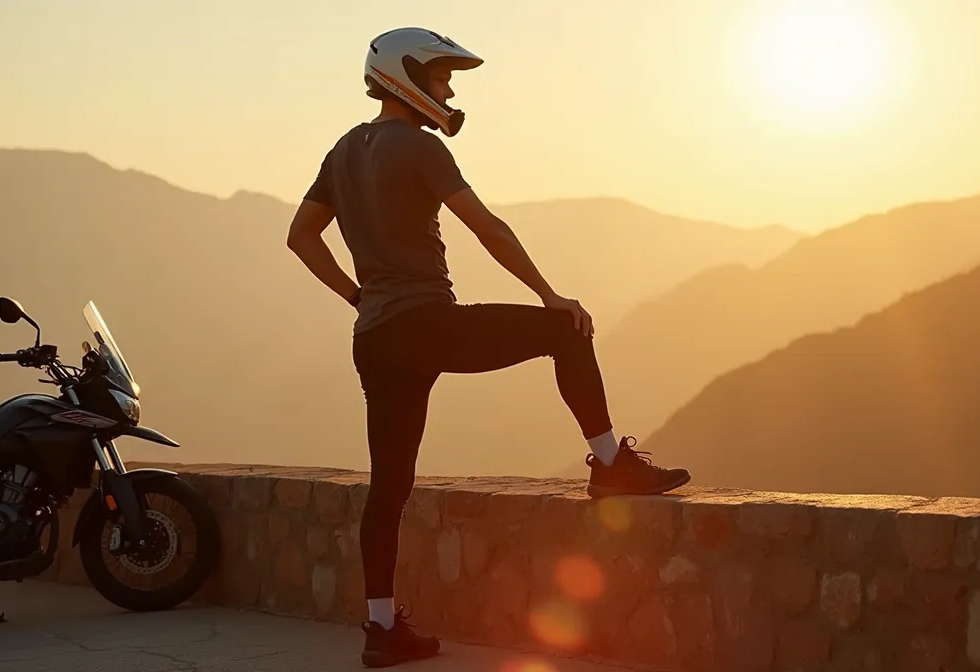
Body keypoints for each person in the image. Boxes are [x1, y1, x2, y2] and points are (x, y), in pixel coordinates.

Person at [284, 26, 692, 668]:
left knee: (389, 486)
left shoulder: (344, 150)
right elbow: (488, 229)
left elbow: (301, 237)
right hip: (427, 322)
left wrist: (358, 297)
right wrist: (550, 293)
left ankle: (381, 629)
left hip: (376, 339)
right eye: (443, 77)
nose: (448, 89)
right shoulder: (417, 148)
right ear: (409, 76)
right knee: (564, 331)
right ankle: (610, 464)